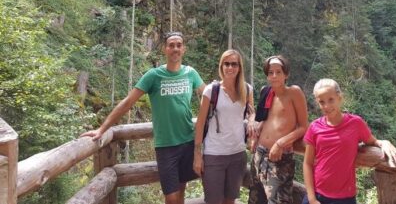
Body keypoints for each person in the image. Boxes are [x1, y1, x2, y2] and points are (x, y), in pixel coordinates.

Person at [80, 32, 205, 204]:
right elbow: (128, 102)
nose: (175, 48)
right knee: (171, 196)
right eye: (171, 45)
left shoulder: (191, 73)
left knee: (181, 190)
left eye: (178, 45)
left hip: (187, 141)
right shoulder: (154, 75)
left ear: (183, 49)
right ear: (165, 49)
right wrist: (102, 129)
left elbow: (209, 96)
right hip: (166, 145)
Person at [302, 78, 396, 204]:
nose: (326, 106)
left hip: (344, 198)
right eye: (322, 102)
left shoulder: (355, 123)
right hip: (317, 194)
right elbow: (307, 163)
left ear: (340, 97)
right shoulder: (315, 127)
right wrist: (311, 198)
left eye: (331, 100)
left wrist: (384, 143)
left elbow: (372, 141)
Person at [193, 49, 255, 204]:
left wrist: (253, 120)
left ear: (239, 67)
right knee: (213, 200)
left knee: (230, 200)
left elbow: (251, 113)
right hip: (214, 154)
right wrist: (197, 155)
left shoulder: (247, 90)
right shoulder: (211, 91)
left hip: (237, 154)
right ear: (221, 66)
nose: (230, 67)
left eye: (234, 64)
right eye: (226, 64)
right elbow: (200, 124)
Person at [248, 55, 308, 204]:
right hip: (259, 154)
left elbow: (303, 127)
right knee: (256, 200)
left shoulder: (294, 93)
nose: (274, 76)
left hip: (279, 159)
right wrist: (255, 137)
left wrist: (280, 143)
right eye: (270, 72)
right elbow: (262, 119)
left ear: (286, 74)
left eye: (278, 72)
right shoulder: (266, 91)